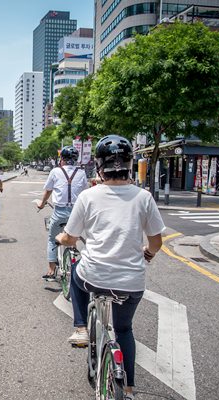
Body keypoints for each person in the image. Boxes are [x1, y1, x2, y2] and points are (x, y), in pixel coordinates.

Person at [55, 135, 165, 400]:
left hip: (94, 276)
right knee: (124, 329)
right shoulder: (144, 197)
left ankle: (81, 326)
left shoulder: (88, 196)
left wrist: (61, 238)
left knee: (76, 276)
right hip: (131, 282)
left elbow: (70, 237)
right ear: (128, 164)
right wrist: (147, 253)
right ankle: (128, 387)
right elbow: (156, 241)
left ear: (100, 166)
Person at [37, 146, 88, 281]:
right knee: (73, 236)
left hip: (59, 212)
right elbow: (85, 193)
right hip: (76, 213)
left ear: (62, 159)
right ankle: (73, 254)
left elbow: (48, 190)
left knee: (52, 239)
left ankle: (51, 270)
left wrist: (41, 204)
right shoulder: (81, 173)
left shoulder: (55, 171)